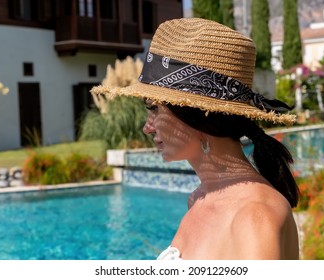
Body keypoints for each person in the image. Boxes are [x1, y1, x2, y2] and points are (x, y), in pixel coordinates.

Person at [92, 17, 300, 260]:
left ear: (197, 116)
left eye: (154, 108)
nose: (147, 128)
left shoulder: (253, 217)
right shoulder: (201, 198)